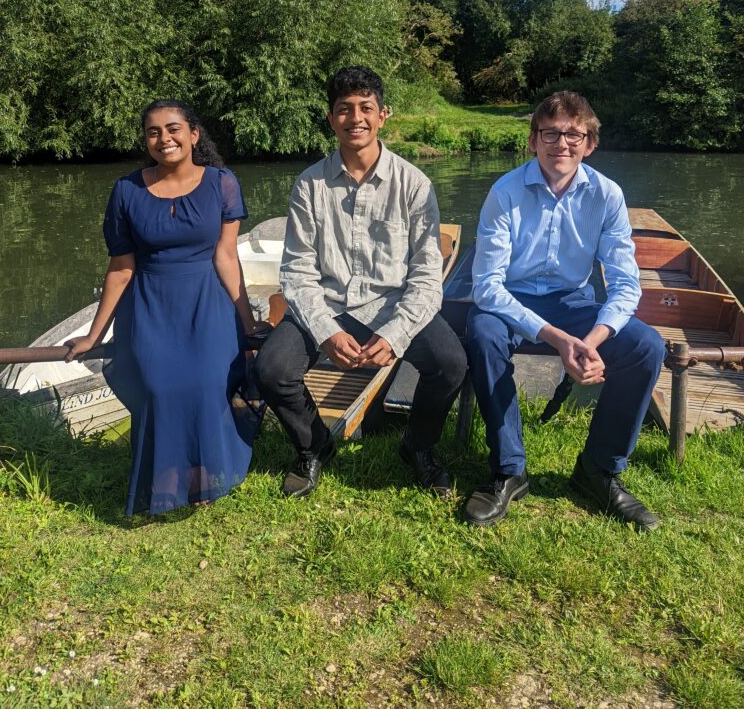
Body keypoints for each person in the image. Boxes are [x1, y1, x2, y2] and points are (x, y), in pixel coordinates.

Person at [255, 66, 468, 498]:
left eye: (366, 108)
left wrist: (395, 333)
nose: (356, 118)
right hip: (327, 305)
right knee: (272, 369)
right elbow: (296, 272)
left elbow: (427, 277)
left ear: (383, 115)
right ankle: (314, 446)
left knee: (450, 363)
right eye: (344, 109)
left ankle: (418, 446)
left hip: (392, 305)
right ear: (331, 119)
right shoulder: (309, 185)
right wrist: (326, 332)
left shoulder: (414, 184)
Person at [464, 91, 665, 530]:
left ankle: (599, 470)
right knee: (482, 333)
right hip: (510, 300)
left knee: (645, 346)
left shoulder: (607, 195)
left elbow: (626, 283)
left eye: (574, 134)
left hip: (574, 302)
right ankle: (509, 469)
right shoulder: (505, 192)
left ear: (590, 144)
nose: (562, 144)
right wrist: (557, 338)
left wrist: (592, 340)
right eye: (550, 133)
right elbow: (487, 286)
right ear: (533, 140)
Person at [65, 100, 262, 516]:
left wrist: (246, 322)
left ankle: (206, 477)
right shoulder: (126, 191)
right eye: (153, 132)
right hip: (150, 306)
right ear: (146, 140)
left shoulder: (222, 183)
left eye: (173, 129)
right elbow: (121, 268)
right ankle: (168, 477)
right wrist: (94, 334)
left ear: (193, 135)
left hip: (206, 302)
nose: (164, 138)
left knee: (209, 385)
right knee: (161, 389)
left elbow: (226, 257)